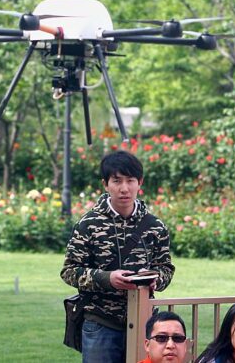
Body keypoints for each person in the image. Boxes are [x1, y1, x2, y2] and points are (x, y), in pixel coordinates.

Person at [61, 151, 175, 363]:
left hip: (144, 322)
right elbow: (69, 271)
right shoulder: (88, 224)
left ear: (140, 183)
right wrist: (107, 278)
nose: (124, 188)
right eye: (117, 181)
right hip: (101, 322)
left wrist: (155, 279)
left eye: (130, 180)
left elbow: (166, 268)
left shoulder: (155, 226)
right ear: (105, 184)